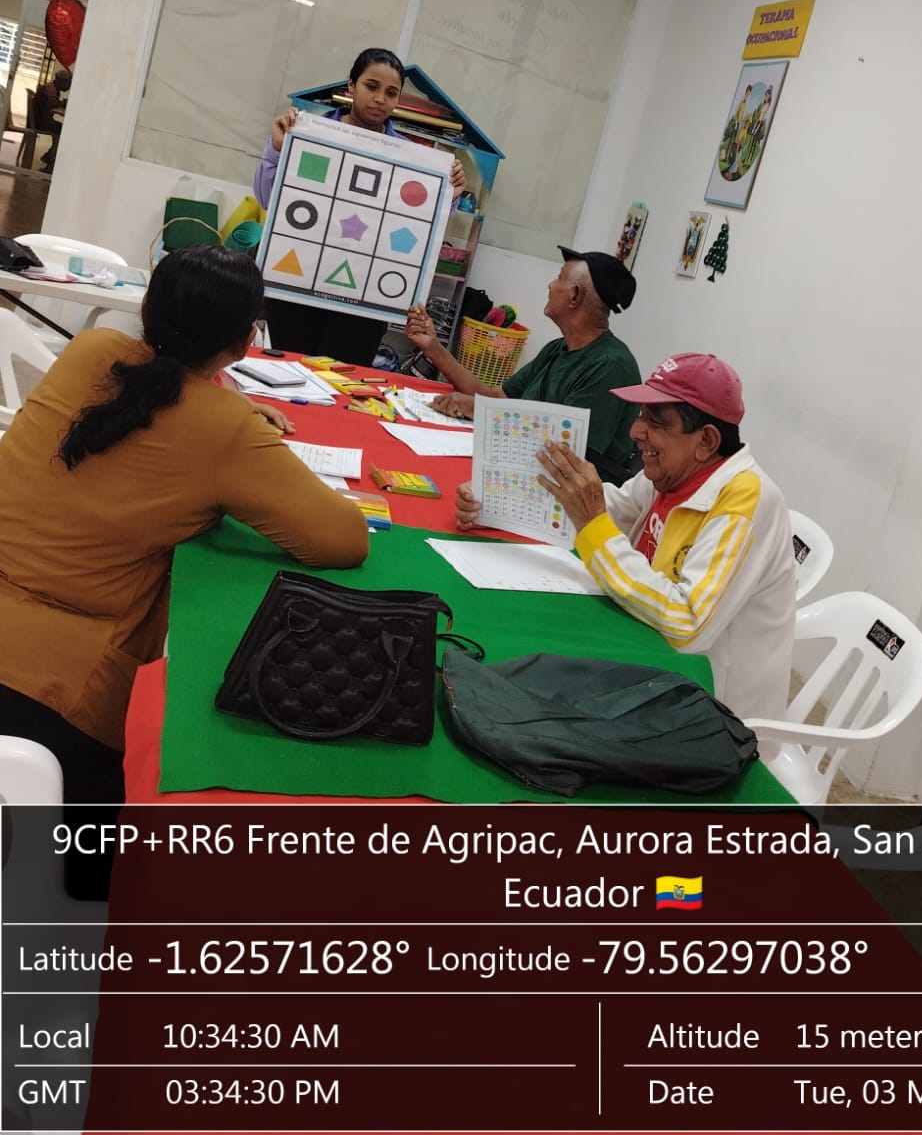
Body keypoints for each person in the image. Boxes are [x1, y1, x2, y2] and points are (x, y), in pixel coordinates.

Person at [0, 245, 369, 808]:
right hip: (60, 692)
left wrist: (227, 405)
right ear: (245, 342)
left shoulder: (91, 350)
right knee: (87, 841)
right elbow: (343, 540)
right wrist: (233, 418)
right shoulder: (226, 429)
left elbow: (153, 392)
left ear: (147, 308)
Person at [454, 353, 794, 722]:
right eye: (641, 416)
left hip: (709, 714)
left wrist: (593, 524)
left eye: (656, 422)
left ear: (706, 441)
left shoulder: (744, 501)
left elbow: (687, 627)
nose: (636, 432)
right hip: (647, 664)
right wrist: (493, 500)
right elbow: (606, 507)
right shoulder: (672, 473)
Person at [253, 48, 466, 366]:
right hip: (296, 287)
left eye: (391, 93)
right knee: (285, 372)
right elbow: (267, 199)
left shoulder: (411, 157)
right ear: (351, 85)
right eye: (371, 86)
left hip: (363, 303)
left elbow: (419, 228)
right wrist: (276, 150)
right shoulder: (306, 133)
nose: (380, 99)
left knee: (342, 383)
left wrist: (451, 193)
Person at [405, 247, 642, 482]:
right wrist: (432, 347)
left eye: (559, 278)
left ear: (575, 296)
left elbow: (567, 456)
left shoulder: (609, 367)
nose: (550, 285)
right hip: (527, 470)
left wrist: (482, 410)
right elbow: (495, 396)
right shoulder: (557, 348)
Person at [31, 68, 72, 172]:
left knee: (62, 129)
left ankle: (48, 157)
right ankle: (50, 165)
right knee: (63, 132)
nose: (68, 86)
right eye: (67, 82)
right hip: (40, 122)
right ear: (60, 80)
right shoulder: (50, 89)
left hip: (41, 120)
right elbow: (51, 102)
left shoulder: (52, 88)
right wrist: (64, 103)